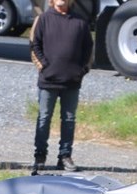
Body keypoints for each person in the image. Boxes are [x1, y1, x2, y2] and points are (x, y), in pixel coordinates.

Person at [29, 0, 92, 173]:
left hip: (72, 81)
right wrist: (44, 66)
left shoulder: (80, 22)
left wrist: (82, 71)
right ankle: (40, 156)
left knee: (69, 119)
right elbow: (34, 45)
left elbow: (88, 49)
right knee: (44, 118)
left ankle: (65, 156)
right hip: (48, 80)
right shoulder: (43, 19)